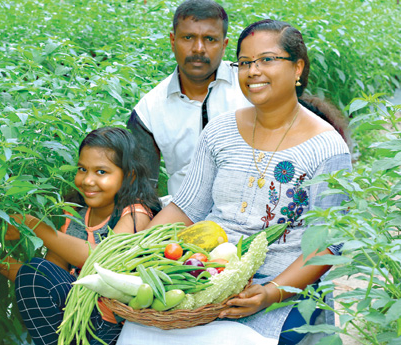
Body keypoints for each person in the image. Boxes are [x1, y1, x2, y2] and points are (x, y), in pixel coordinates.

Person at [118, 19, 351, 345]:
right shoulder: (220, 131)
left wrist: (270, 293)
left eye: (267, 60)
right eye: (244, 63)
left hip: (278, 284)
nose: (253, 71)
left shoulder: (326, 148)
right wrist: (131, 255)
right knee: (139, 330)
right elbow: (186, 208)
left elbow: (328, 244)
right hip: (203, 274)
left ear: (298, 68)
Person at [2, 127, 162, 345]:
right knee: (36, 271)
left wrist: (34, 226)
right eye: (82, 169)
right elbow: (46, 279)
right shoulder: (74, 214)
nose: (87, 180)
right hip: (75, 316)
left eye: (101, 172)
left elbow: (101, 262)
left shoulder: (135, 213)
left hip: (110, 323)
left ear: (129, 176)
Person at [127, 0, 252, 197]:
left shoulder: (250, 86)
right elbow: (142, 192)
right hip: (183, 220)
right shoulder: (149, 110)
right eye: (188, 37)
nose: (199, 48)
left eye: (210, 39)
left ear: (224, 45)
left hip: (254, 214)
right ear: (172, 40)